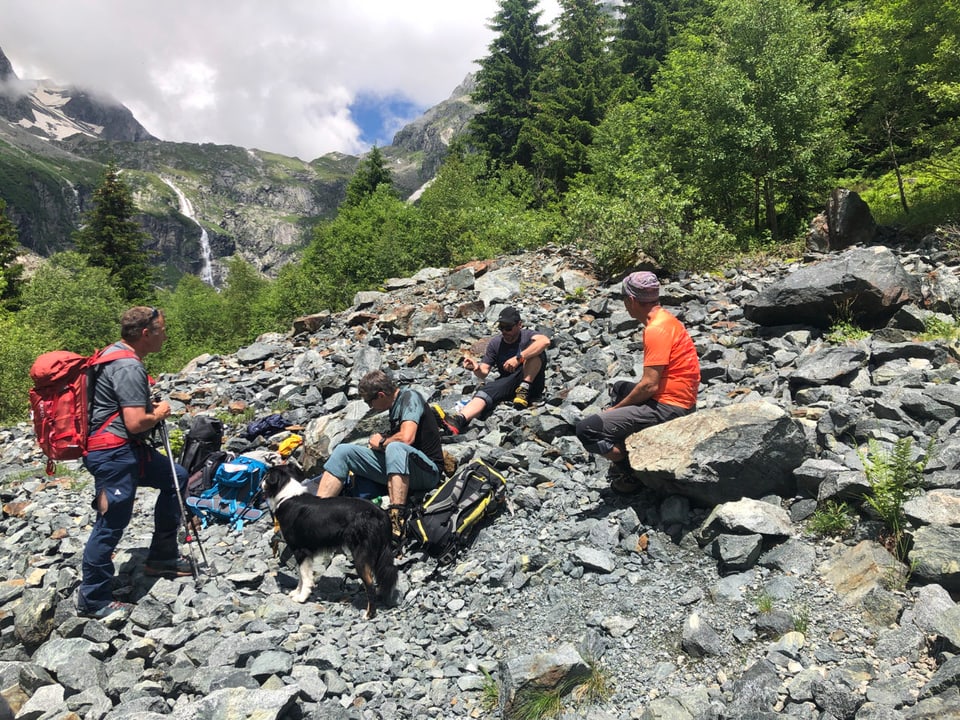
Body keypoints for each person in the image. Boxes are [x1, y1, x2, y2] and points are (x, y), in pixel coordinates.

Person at [77, 306, 191, 619]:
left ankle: (162, 557)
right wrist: (159, 412)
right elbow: (137, 423)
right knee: (110, 524)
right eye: (162, 330)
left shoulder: (111, 354)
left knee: (175, 477)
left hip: (119, 449)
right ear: (146, 333)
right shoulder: (128, 366)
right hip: (113, 453)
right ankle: (93, 599)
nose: (165, 335)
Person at [575, 272, 700, 493]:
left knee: (587, 429)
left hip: (670, 406)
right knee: (620, 388)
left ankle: (629, 472)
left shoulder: (655, 330)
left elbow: (649, 385)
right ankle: (627, 442)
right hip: (682, 398)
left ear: (631, 300)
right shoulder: (667, 319)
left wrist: (615, 409)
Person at [315, 369, 444, 542]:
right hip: (406, 469)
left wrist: (382, 442)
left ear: (381, 395)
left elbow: (407, 438)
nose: (370, 407)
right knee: (343, 451)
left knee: (395, 447)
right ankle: (316, 513)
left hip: (429, 472)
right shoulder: (393, 407)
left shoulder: (410, 397)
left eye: (369, 402)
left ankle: (397, 519)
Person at [437, 306, 551, 435]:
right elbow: (484, 372)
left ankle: (524, 389)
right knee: (486, 390)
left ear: (519, 325)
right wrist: (476, 368)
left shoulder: (528, 335)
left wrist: (518, 358)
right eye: (501, 327)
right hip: (509, 384)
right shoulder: (495, 343)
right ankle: (459, 420)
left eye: (508, 328)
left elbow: (545, 341)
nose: (504, 331)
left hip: (532, 384)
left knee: (537, 353)